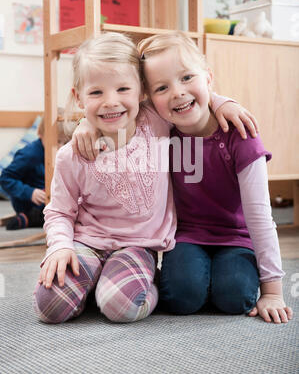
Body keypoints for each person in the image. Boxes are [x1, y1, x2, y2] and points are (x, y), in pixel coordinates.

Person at [33, 32, 255, 325]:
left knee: (121, 307)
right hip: (86, 242)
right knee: (49, 306)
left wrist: (222, 102)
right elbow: (60, 211)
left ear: (141, 92)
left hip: (137, 245)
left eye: (123, 88)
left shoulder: (156, 120)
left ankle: (129, 284)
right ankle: (92, 285)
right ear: (78, 97)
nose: (110, 102)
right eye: (96, 93)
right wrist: (60, 247)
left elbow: (188, 99)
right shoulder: (71, 154)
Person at [137, 31, 293, 324]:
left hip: (237, 236)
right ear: (151, 100)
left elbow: (260, 216)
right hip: (187, 235)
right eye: (161, 88)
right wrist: (84, 126)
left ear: (208, 78)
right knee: (181, 297)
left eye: (186, 78)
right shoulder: (161, 130)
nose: (177, 93)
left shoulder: (241, 134)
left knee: (235, 296)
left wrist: (272, 291)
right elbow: (124, 111)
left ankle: (221, 280)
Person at [0, 111, 69, 230]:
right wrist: (29, 192)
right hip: (30, 202)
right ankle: (28, 218)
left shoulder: (65, 153)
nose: (61, 147)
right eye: (57, 141)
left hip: (52, 198)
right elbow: (5, 179)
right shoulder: (30, 154)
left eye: (66, 142)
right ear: (40, 134)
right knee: (59, 218)